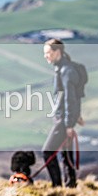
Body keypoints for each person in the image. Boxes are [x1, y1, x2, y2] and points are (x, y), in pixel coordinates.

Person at [42, 39, 82, 187]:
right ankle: (70, 186)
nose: (46, 56)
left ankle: (57, 187)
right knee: (66, 154)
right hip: (65, 118)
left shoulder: (66, 71)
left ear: (57, 52)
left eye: (48, 53)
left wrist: (69, 124)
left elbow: (70, 98)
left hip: (63, 120)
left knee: (48, 152)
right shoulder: (63, 69)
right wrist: (76, 116)